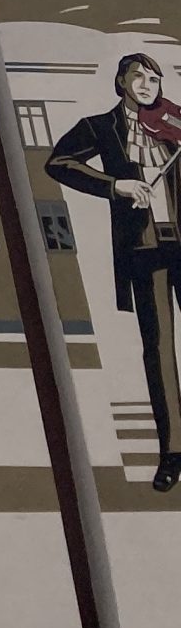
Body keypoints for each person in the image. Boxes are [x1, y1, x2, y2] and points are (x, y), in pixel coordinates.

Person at [47, 53, 181, 490]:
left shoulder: (174, 124)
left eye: (154, 79)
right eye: (138, 77)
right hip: (144, 247)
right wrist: (115, 185)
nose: (147, 85)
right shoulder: (102, 127)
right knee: (158, 350)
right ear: (121, 81)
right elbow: (59, 162)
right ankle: (173, 451)